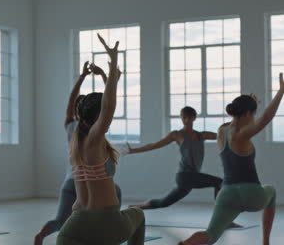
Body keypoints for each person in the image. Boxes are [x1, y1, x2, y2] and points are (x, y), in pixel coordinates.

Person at [56, 34, 145, 245]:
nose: (109, 118)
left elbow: (103, 104)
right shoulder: (95, 139)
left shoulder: (75, 139)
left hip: (74, 226)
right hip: (106, 222)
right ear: (98, 118)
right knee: (138, 214)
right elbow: (108, 105)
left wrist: (111, 77)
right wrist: (113, 62)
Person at [179, 73, 283, 245]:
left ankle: (184, 244)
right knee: (271, 191)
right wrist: (281, 92)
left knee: (210, 235)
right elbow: (265, 119)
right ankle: (265, 242)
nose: (254, 118)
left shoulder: (222, 130)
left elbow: (246, 119)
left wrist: (251, 104)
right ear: (249, 113)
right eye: (253, 113)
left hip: (226, 193)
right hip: (251, 194)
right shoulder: (241, 135)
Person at [34, 62, 122, 245]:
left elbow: (73, 101)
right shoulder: (95, 132)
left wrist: (82, 77)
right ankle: (110, 228)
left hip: (70, 182)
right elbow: (109, 102)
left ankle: (40, 236)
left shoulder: (71, 127)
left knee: (61, 221)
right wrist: (105, 75)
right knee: (115, 194)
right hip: (88, 182)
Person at [126, 107, 224, 210]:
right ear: (181, 118)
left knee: (164, 202)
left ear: (194, 118)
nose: (186, 120)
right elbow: (154, 145)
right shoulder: (177, 134)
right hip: (185, 176)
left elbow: (224, 135)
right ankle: (220, 215)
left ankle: (135, 207)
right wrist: (133, 150)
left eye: (189, 118)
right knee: (219, 182)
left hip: (191, 177)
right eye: (184, 117)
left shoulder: (202, 135)